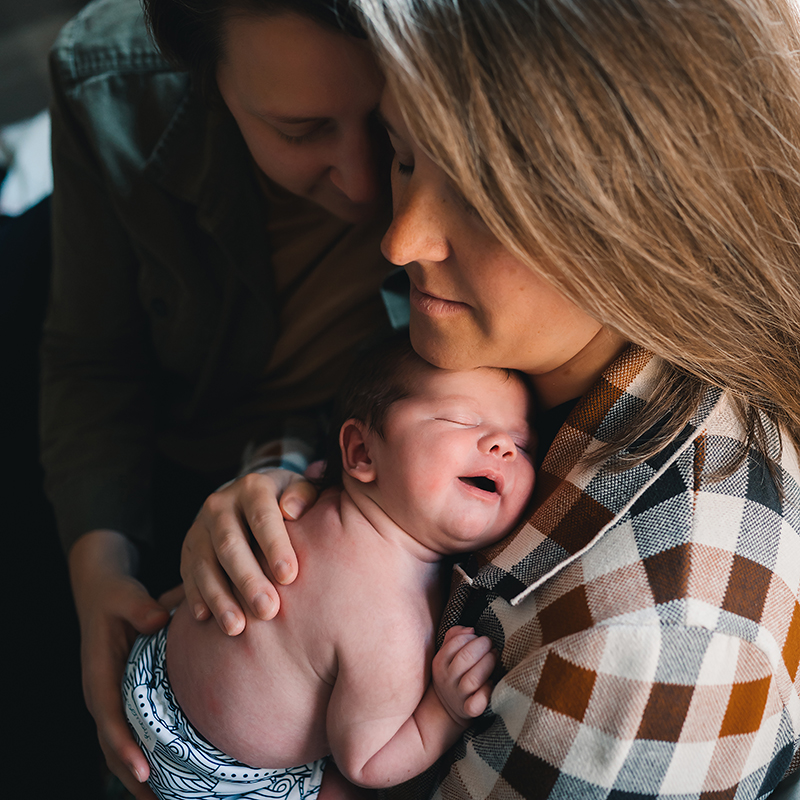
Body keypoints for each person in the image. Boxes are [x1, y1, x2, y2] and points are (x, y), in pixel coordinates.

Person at [184, 0, 800, 796]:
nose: (400, 238)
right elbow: (348, 423)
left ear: (641, 212)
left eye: (479, 198)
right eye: (405, 156)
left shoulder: (662, 637)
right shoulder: (483, 330)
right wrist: (268, 502)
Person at [41, 0, 400, 795]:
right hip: (164, 423)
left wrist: (293, 470)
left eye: (394, 125)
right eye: (302, 131)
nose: (368, 182)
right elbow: (93, 359)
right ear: (209, 80)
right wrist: (98, 575)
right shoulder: (110, 88)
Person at [123, 336, 536, 799]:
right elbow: (367, 761)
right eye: (461, 419)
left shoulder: (303, 494)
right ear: (361, 451)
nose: (502, 446)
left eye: (524, 446)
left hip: (145, 672)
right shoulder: (394, 625)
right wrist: (444, 710)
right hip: (224, 781)